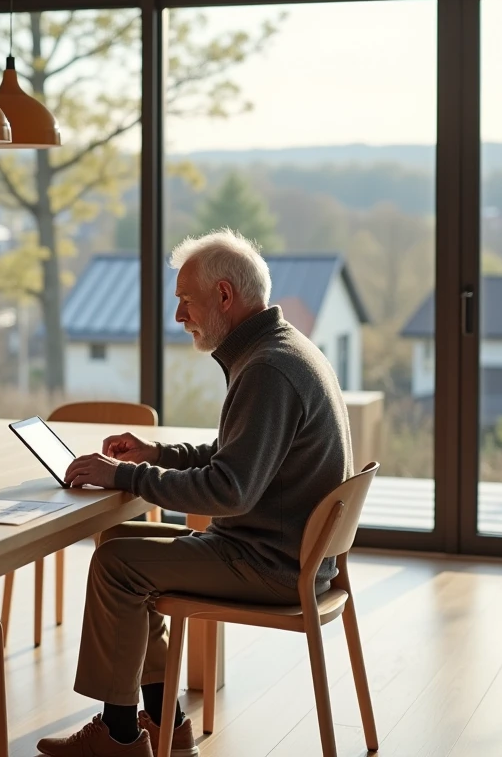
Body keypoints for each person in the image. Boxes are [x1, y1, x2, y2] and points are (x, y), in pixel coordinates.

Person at [37, 229, 354, 757]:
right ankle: (167, 724)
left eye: (186, 301)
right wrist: (156, 454)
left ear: (224, 296)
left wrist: (121, 476)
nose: (180, 316)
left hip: (269, 564)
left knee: (117, 563)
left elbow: (230, 489)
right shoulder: (282, 350)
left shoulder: (267, 370)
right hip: (289, 554)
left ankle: (119, 737)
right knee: (123, 537)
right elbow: (238, 454)